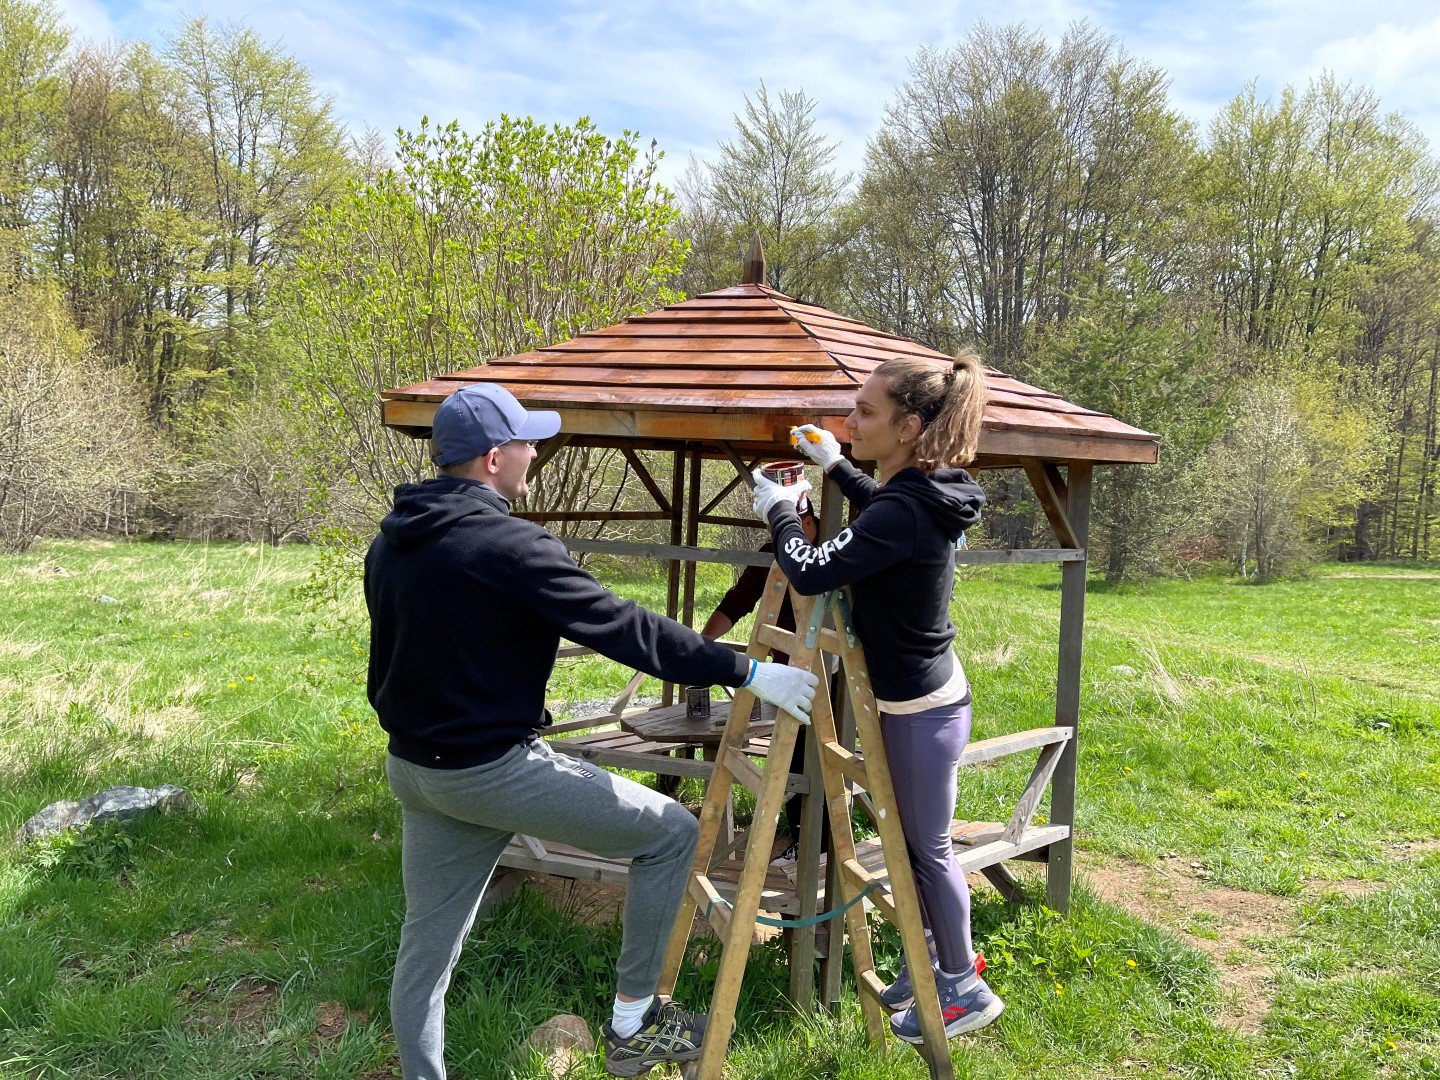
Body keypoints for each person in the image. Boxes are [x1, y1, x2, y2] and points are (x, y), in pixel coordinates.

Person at [364, 383, 819, 1079]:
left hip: (418, 772)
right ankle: (634, 1025)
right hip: (490, 771)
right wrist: (748, 673)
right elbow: (626, 628)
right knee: (671, 833)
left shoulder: (391, 543)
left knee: (425, 952)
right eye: (525, 441)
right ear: (493, 460)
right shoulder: (511, 547)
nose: (534, 451)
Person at [749, 353, 1001, 1043]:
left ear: (909, 426)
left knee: (927, 849)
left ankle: (961, 984)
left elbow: (806, 571)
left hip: (922, 711)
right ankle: (928, 958)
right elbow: (884, 510)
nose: (849, 419)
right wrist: (834, 464)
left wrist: (780, 511)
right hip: (920, 696)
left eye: (864, 412)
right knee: (910, 847)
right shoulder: (920, 488)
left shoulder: (904, 508)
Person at [698, 495, 822, 879]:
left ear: (813, 520)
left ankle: (817, 846)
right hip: (788, 676)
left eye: (797, 521)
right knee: (792, 758)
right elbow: (738, 602)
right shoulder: (772, 553)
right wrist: (702, 646)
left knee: (817, 760)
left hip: (831, 673)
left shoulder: (830, 554)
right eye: (781, 523)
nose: (790, 531)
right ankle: (804, 843)